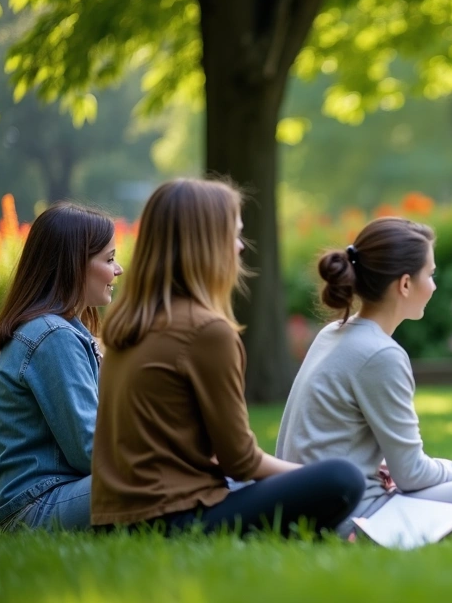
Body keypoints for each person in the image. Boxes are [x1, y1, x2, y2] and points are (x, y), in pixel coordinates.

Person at [91, 179, 364, 536]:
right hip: (174, 518)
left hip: (115, 523)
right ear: (206, 244)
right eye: (233, 235)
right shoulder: (206, 331)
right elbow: (242, 461)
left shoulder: (131, 323)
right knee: (343, 477)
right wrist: (315, 473)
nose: (239, 247)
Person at [276, 217, 452, 539]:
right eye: (429, 275)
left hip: (315, 506)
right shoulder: (380, 354)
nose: (433, 285)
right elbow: (413, 474)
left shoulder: (334, 332)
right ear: (404, 284)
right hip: (356, 517)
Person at [0, 203, 123, 531]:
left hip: (52, 496)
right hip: (35, 506)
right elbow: (89, 451)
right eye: (109, 259)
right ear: (75, 265)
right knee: (170, 475)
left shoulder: (58, 330)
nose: (118, 270)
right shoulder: (52, 336)